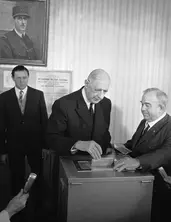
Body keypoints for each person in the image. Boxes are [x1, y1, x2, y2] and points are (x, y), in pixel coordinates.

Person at [113, 88, 171, 222]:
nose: (142, 108)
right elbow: (133, 144)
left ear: (161, 107)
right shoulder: (144, 122)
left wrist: (137, 162)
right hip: (139, 182)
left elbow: (164, 153)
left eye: (147, 105)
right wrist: (115, 148)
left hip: (159, 187)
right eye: (142, 104)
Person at [0, 65, 48, 196]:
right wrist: (2, 151)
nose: (22, 81)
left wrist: (45, 146)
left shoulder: (38, 95)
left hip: (35, 144)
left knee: (37, 172)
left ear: (28, 77)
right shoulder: (4, 98)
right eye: (19, 78)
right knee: (16, 175)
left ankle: (38, 199)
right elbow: (1, 126)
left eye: (25, 78)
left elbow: (44, 122)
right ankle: (17, 202)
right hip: (14, 145)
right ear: (13, 78)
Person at [46, 68, 112, 159]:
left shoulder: (106, 104)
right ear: (86, 83)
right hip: (69, 163)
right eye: (97, 90)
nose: (101, 96)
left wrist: (107, 148)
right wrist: (77, 144)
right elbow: (51, 138)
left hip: (98, 163)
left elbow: (105, 133)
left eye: (105, 91)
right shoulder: (63, 104)